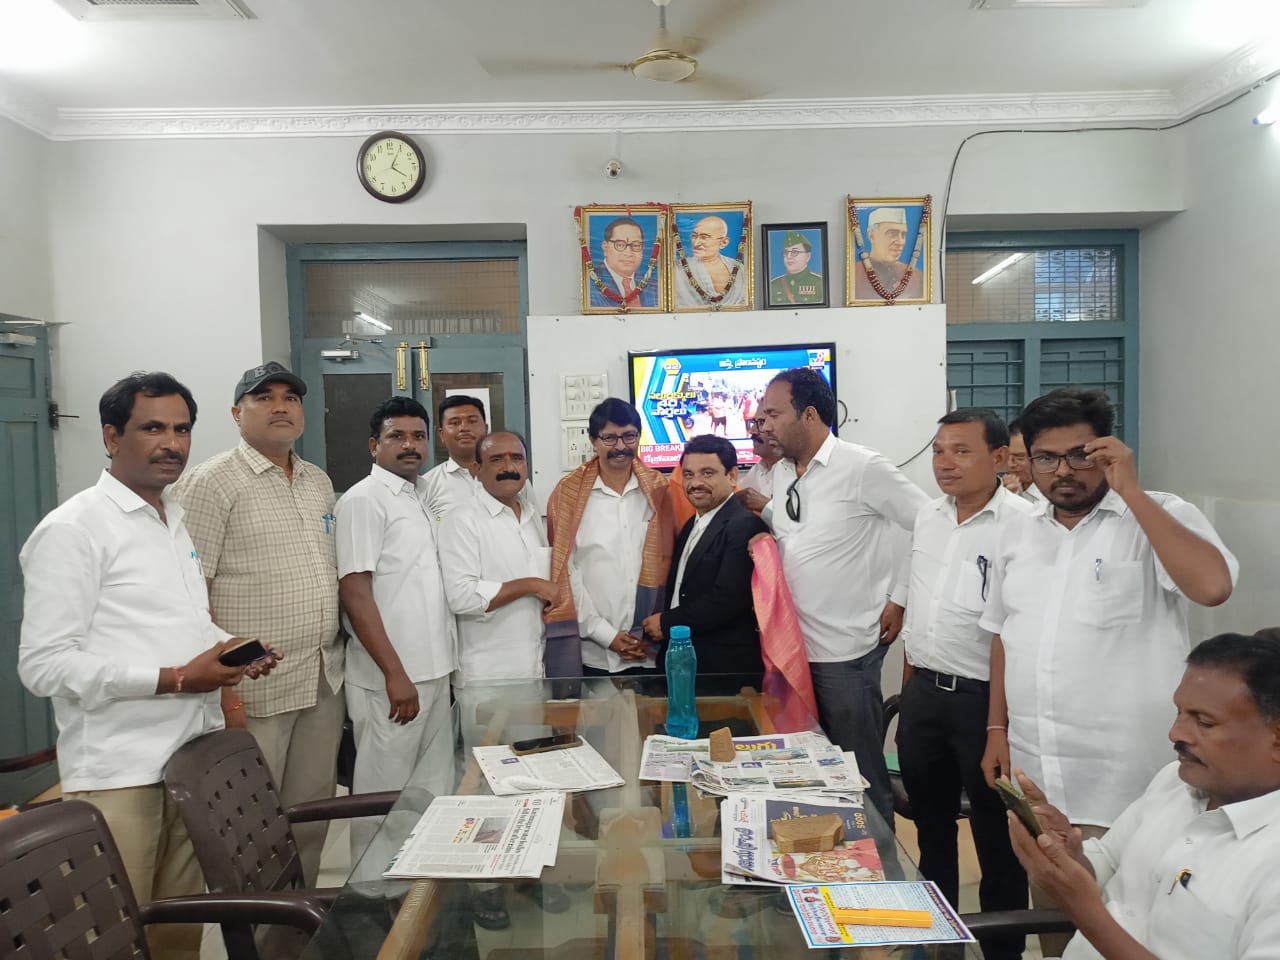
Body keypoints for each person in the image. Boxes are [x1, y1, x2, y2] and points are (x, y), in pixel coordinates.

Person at [18, 372, 276, 960]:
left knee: (176, 932)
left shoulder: (172, 518)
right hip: (121, 772)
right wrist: (177, 680)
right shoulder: (74, 530)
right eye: (153, 428)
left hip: (188, 758)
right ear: (112, 437)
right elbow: (45, 666)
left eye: (182, 430)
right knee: (113, 933)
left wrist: (231, 649)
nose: (172, 443)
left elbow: (183, 624)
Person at [977, 388, 1237, 950]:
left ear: (1108, 450)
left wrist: (1131, 492)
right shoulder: (1017, 530)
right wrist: (997, 728)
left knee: (1137, 929)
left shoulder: (1159, 514)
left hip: (1132, 788)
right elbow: (1003, 632)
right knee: (1059, 930)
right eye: (1046, 458)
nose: (1063, 471)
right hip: (1041, 780)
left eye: (1080, 454)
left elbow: (1213, 587)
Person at [1007, 631, 1280, 960]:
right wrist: (1068, 854)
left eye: (1204, 722)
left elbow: (1090, 910)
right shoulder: (1175, 782)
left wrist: (1086, 913)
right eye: (1179, 712)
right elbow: (1107, 863)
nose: (1175, 734)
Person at [172, 361, 343, 887]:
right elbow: (191, 590)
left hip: (320, 678)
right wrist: (226, 689)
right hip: (254, 687)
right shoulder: (211, 482)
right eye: (264, 397)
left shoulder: (317, 480)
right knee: (253, 826)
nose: (280, 407)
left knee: (312, 814)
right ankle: (257, 924)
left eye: (290, 397)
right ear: (236, 413)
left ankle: (300, 921)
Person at [886, 409, 1034, 960]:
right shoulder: (928, 516)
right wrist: (909, 691)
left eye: (961, 451)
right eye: (939, 450)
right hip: (925, 696)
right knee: (931, 829)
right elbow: (919, 605)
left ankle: (1002, 952)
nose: (945, 462)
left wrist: (1000, 727)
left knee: (998, 841)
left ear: (999, 458)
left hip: (984, 704)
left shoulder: (1024, 524)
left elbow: (1015, 631)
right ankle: (939, 941)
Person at [757, 367, 930, 827]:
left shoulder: (862, 467)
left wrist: (901, 596)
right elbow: (800, 536)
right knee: (813, 775)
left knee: (861, 777)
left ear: (809, 415)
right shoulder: (783, 472)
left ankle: (884, 864)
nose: (763, 424)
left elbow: (931, 524)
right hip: (794, 653)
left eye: (773, 414)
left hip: (845, 654)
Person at [437, 430, 568, 929]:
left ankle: (526, 875)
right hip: (486, 678)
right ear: (477, 468)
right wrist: (531, 585)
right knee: (484, 787)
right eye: (497, 459)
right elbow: (461, 595)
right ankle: (483, 887)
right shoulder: (462, 520)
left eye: (517, 457)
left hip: (532, 671)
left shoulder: (532, 516)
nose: (509, 466)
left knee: (531, 782)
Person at [335, 396, 456, 863]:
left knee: (430, 791)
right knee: (383, 800)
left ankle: (422, 886)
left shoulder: (420, 495)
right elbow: (355, 590)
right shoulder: (364, 500)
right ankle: (370, 894)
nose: (410, 445)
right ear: (374, 445)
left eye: (418, 436)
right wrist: (394, 674)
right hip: (392, 680)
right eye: (396, 436)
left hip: (433, 670)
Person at [546, 398, 674, 679]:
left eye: (629, 436)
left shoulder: (659, 490)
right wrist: (606, 635)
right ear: (593, 441)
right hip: (594, 652)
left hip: (654, 646)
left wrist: (653, 627)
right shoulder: (568, 495)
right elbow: (565, 572)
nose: (620, 446)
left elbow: (672, 563)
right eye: (609, 438)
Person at [642, 434, 769, 684]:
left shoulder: (744, 524)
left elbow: (728, 599)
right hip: (688, 659)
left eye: (707, 473)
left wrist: (666, 624)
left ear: (732, 476)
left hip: (723, 667)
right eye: (688, 475)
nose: (695, 483)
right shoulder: (692, 524)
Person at [422, 394, 488, 521]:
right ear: (442, 435)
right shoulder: (427, 486)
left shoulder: (510, 477)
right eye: (455, 423)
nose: (464, 428)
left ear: (486, 429)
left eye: (472, 421)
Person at [673, 215, 747, 307]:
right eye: (694, 236)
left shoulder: (739, 269)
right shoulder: (679, 269)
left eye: (704, 237)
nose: (696, 243)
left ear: (724, 242)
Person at [853, 207, 924, 302]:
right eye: (892, 234)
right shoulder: (854, 275)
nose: (900, 242)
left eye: (903, 235)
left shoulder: (917, 277)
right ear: (871, 236)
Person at [590, 216, 657, 309]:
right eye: (620, 245)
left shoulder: (654, 287)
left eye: (636, 245)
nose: (628, 253)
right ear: (605, 248)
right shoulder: (590, 285)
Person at [735, 407, 781, 514]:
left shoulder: (800, 472)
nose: (752, 431)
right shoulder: (757, 470)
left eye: (761, 422)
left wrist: (765, 505)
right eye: (754, 422)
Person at [769, 231, 824, 306]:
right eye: (786, 252)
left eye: (794, 252)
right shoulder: (773, 285)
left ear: (807, 256)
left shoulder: (820, 283)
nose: (789, 256)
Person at [1001, 417, 1045, 504]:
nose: (1010, 464)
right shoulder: (1001, 491)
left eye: (1019, 457)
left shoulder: (1054, 496)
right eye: (1006, 457)